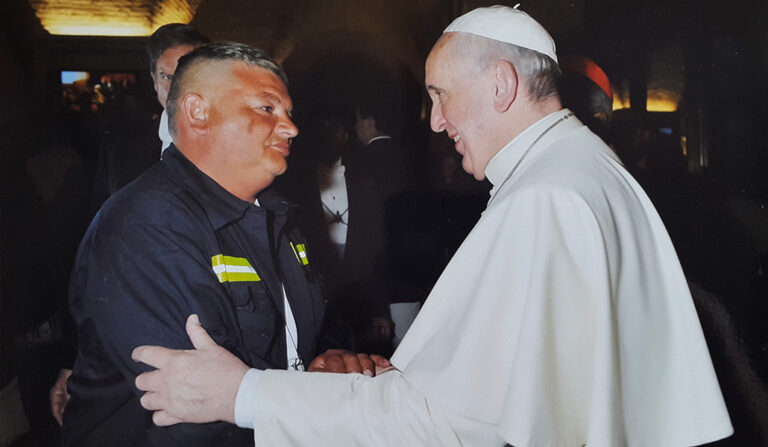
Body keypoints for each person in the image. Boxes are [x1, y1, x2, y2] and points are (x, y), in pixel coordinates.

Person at [132, 6, 733, 446]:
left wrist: (245, 396)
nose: (437, 122)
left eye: (441, 95)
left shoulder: (543, 197)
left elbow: (445, 422)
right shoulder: (578, 167)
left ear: (501, 84)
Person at [63, 42, 386, 447]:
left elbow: (312, 327)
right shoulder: (147, 227)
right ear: (198, 112)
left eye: (288, 112)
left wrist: (335, 354)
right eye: (267, 108)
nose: (291, 127)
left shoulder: (277, 215)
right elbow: (195, 421)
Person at [49, 22, 211, 428]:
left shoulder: (230, 149)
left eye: (189, 73)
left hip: (208, 348)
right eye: (167, 75)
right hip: (125, 352)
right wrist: (74, 361)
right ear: (154, 81)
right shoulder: (122, 148)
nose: (177, 86)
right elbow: (91, 257)